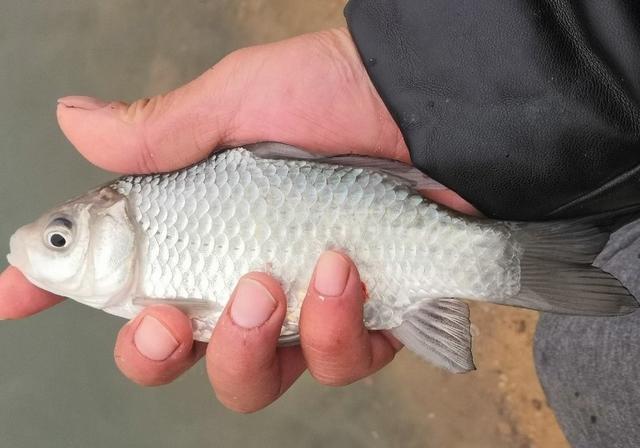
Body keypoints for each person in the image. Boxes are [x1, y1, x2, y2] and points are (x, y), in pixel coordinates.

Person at [1, 1, 639, 445]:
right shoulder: (156, 222)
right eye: (60, 240)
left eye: (62, 238)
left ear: (116, 222)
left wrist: (397, 98)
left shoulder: (150, 237)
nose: (49, 248)